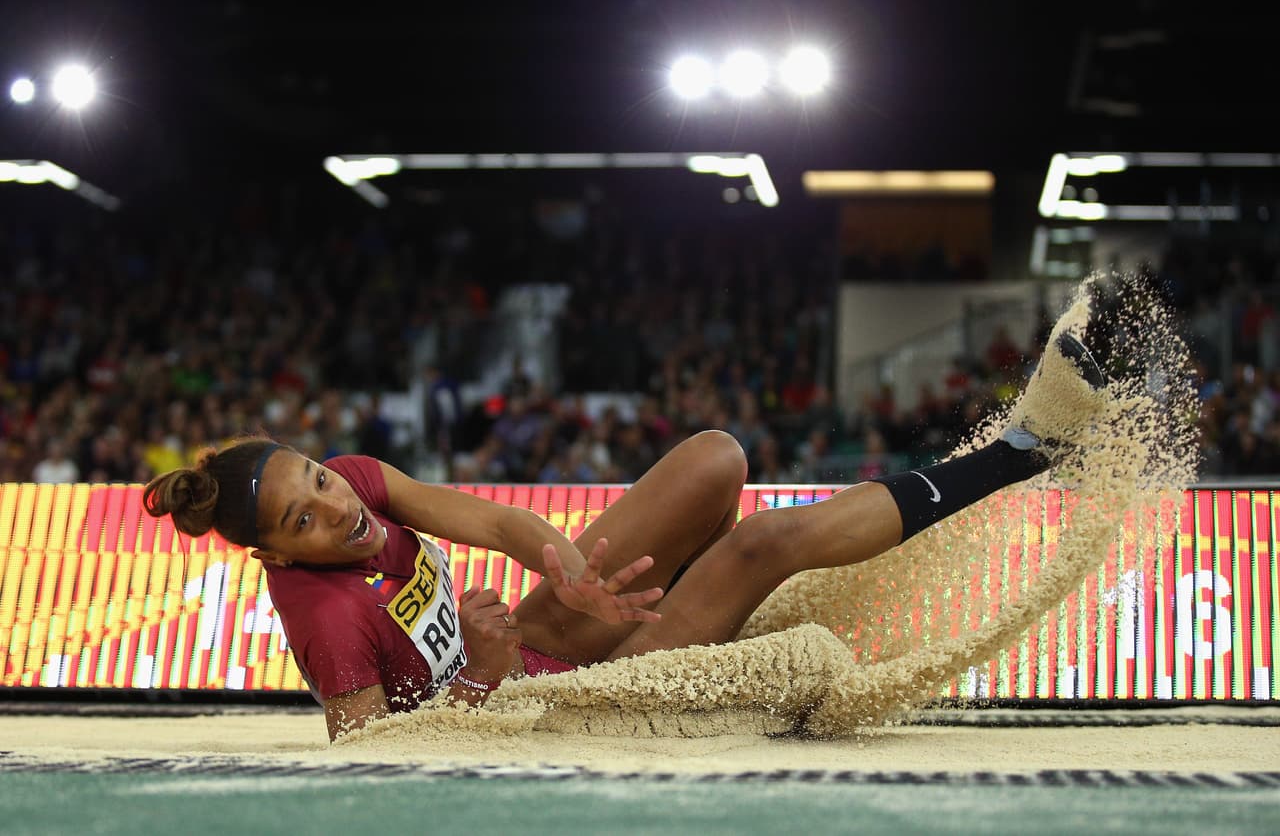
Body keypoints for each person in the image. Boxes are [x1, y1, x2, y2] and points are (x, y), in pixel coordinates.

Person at [144, 328, 1107, 742]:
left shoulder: (361, 483)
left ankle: (688, 606)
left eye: (316, 477)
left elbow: (496, 520)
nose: (335, 508)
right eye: (303, 520)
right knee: (759, 543)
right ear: (275, 555)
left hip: (540, 645)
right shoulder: (320, 620)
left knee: (715, 459)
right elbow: (370, 768)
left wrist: (571, 575)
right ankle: (1027, 449)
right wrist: (479, 676)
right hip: (544, 708)